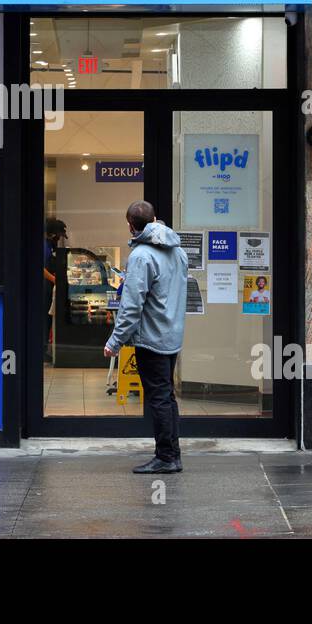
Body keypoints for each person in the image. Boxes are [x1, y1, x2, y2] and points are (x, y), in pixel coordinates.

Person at [103, 202, 188, 475]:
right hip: (171, 335)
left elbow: (131, 306)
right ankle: (172, 454)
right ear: (154, 219)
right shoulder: (178, 252)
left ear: (130, 224)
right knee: (167, 396)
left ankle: (166, 457)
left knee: (159, 398)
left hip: (151, 338)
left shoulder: (141, 256)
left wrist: (115, 342)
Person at [43, 218, 68, 351]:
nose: (59, 239)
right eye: (59, 236)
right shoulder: (45, 247)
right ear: (53, 234)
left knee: (48, 320)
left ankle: (46, 347)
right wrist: (54, 279)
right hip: (44, 288)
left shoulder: (50, 246)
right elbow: (41, 268)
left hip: (49, 286)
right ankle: (42, 349)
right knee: (44, 320)